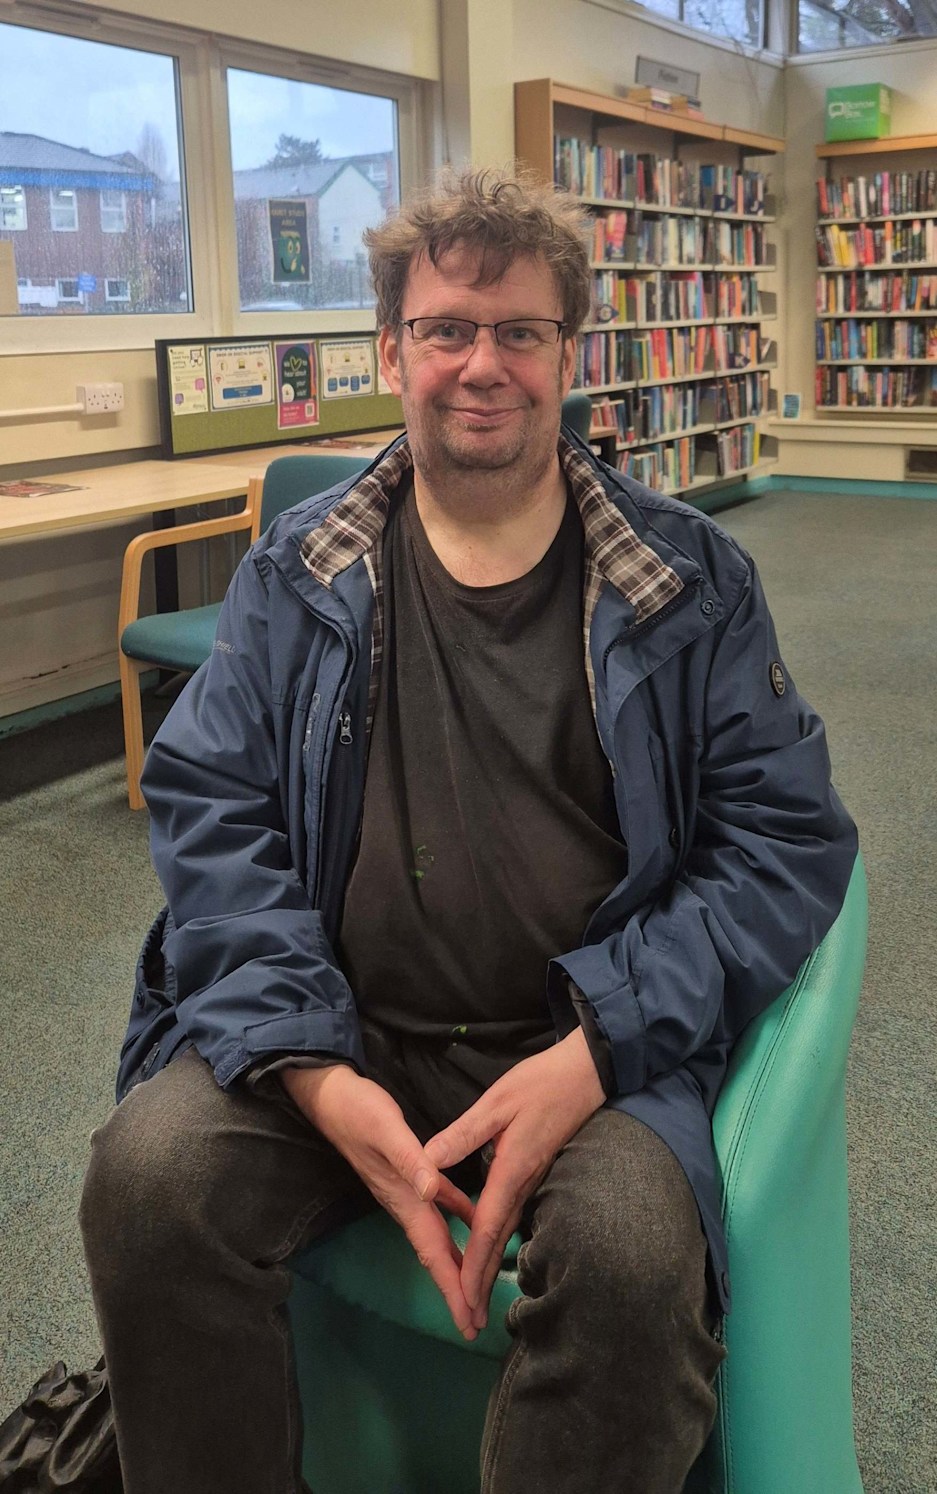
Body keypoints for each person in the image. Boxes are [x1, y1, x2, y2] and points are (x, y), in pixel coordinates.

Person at [81, 167, 858, 1494]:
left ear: (571, 352)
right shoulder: (297, 573)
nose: (479, 364)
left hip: (583, 1046)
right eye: (446, 328)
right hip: (337, 1021)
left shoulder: (687, 582)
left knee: (629, 1263)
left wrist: (596, 1049)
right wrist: (313, 1068)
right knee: (148, 1183)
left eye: (520, 330)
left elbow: (782, 846)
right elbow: (214, 816)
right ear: (392, 349)